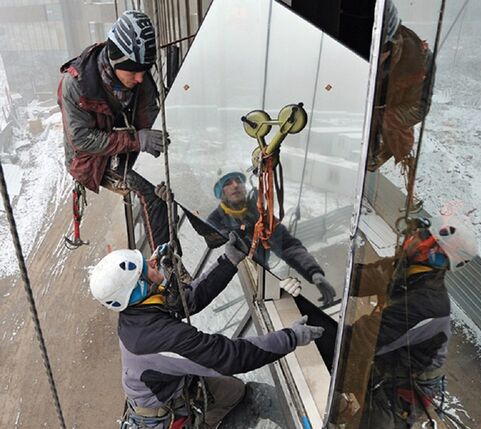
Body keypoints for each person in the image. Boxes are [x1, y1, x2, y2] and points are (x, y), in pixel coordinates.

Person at [89, 232, 324, 429]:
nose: (153, 261)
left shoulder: (140, 309)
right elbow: (230, 357)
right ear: (140, 286)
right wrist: (291, 337)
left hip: (173, 386)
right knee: (229, 388)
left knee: (234, 391)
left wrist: (230, 259)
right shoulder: (157, 338)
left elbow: (188, 299)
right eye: (146, 266)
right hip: (163, 412)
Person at [336, 215, 477, 428]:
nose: (411, 237)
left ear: (433, 253)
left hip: (404, 388)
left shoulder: (426, 305)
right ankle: (340, 409)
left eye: (422, 235)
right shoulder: (403, 270)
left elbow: (359, 341)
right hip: (387, 359)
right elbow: (357, 279)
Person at [57, 10, 168, 251]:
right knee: (150, 191)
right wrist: (137, 140)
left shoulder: (139, 75)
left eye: (144, 70)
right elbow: (82, 140)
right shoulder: (75, 86)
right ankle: (164, 265)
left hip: (123, 135)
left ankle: (207, 231)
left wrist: (159, 153)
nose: (140, 78)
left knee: (165, 179)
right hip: (93, 156)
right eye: (133, 72)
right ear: (115, 62)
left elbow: (149, 117)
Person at [203, 171, 336, 308]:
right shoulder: (215, 222)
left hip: (263, 278)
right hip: (235, 287)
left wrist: (313, 272)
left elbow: (287, 245)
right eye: (228, 183)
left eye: (238, 181)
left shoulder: (259, 214)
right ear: (221, 192)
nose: (235, 185)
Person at [368, 0, 434, 174]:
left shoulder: (419, 60)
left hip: (389, 129)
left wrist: (386, 119)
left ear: (394, 42)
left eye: (378, 50)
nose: (373, 58)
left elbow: (421, 106)